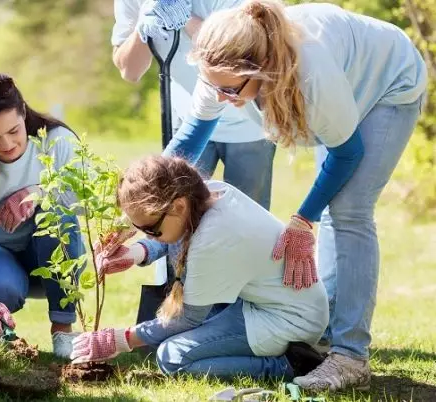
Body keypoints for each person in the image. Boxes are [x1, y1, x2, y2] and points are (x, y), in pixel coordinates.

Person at [158, 0, 427, 391]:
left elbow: (347, 153)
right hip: (341, 84)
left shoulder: (311, 76)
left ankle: (350, 356)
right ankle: (321, 337)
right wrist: (144, 195)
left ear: (261, 70)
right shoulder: (220, 68)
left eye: (231, 89)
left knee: (348, 211)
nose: (222, 96)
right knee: (337, 206)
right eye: (213, 85)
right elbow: (191, 139)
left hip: (388, 84)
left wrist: (303, 220)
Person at [71, 156, 329, 381]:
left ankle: (289, 365)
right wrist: (136, 254)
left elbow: (188, 318)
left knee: (172, 357)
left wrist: (120, 339)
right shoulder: (208, 194)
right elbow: (176, 235)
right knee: (177, 342)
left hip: (288, 320)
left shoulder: (212, 238)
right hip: (275, 304)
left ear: (178, 206)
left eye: (151, 229)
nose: (148, 235)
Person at [111, 0, 276, 326]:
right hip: (191, 119)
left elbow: (239, 47)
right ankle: (182, 315)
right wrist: (145, 29)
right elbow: (129, 70)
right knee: (173, 212)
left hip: (249, 124)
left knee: (244, 224)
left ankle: (242, 319)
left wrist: (185, 18)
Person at [0, 73, 84, 359]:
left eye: (14, 131)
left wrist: (38, 192)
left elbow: (87, 202)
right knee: (3, 289)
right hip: (0, 255)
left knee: (57, 213)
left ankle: (62, 331)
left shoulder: (56, 141)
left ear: (23, 112)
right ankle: (2, 333)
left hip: (53, 256)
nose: (6, 145)